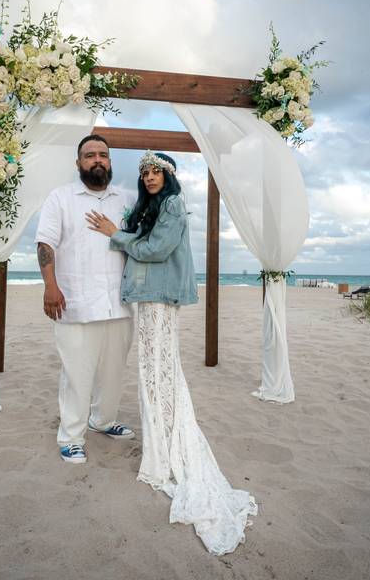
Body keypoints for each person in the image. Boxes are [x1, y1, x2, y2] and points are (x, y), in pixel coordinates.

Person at [86, 151, 257, 556]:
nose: (148, 177)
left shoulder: (175, 205)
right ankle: (161, 440)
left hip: (159, 299)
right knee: (152, 370)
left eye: (155, 172)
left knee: (160, 369)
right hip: (146, 297)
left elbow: (156, 250)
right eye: (144, 172)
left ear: (169, 176)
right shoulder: (154, 206)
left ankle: (167, 447)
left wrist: (115, 232)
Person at [34, 134, 136, 465]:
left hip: (119, 303)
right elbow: (45, 244)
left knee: (112, 372)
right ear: (78, 163)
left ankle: (103, 420)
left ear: (110, 162)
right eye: (90, 155)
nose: (97, 160)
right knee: (77, 374)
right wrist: (50, 286)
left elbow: (138, 243)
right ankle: (71, 436)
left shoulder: (125, 199)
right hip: (75, 303)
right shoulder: (60, 198)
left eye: (103, 155)